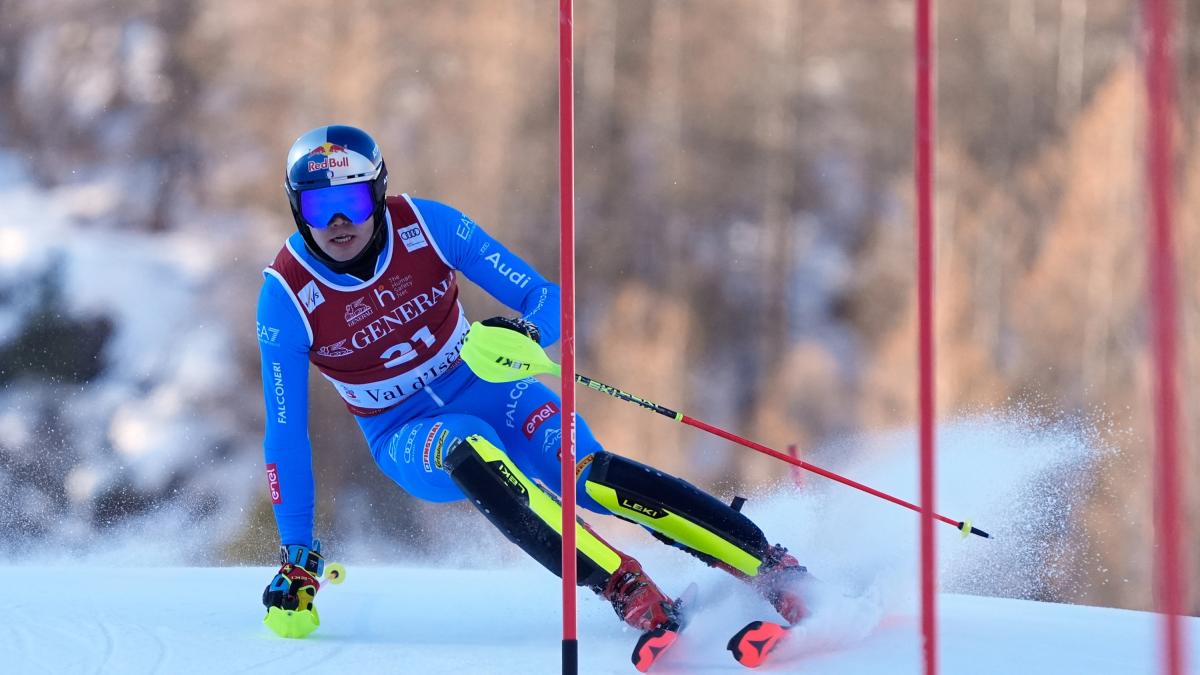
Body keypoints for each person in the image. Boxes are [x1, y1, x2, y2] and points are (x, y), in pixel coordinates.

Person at [256, 124, 808, 645]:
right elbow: (285, 433)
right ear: (296, 209)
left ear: (377, 194)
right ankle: (627, 589)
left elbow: (548, 299)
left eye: (350, 202)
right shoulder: (285, 296)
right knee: (468, 447)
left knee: (591, 480)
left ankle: (769, 565)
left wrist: (527, 331)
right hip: (404, 431)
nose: (337, 224)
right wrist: (298, 552)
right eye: (317, 208)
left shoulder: (427, 226)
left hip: (494, 388)